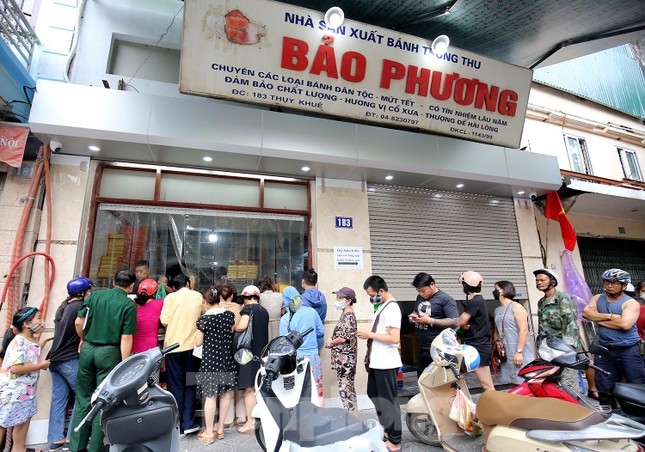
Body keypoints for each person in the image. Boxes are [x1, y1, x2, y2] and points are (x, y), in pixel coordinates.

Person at [70, 269, 137, 452]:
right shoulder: (128, 305)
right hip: (109, 353)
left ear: (114, 281)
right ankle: (96, 448)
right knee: (102, 401)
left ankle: (76, 447)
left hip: (88, 349)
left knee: (83, 398)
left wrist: (83, 339)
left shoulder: (94, 296)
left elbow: (78, 321)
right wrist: (124, 363)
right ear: (132, 285)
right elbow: (126, 337)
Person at [582, 268, 645, 406]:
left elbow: (625, 324)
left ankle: (639, 417)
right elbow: (586, 314)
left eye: (615, 283)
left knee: (636, 384)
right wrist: (610, 316)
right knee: (604, 386)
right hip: (604, 350)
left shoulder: (630, 303)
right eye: (607, 282)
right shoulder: (597, 298)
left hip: (628, 350)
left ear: (624, 285)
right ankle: (609, 417)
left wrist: (597, 318)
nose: (610, 286)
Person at [46, 277, 92, 451]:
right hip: (69, 359)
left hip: (55, 358)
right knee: (82, 397)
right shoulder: (80, 307)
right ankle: (73, 437)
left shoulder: (63, 306)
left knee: (58, 400)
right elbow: (79, 324)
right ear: (83, 292)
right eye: (88, 290)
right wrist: (83, 338)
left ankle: (56, 438)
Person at [357, 275, 402, 452]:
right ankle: (388, 429)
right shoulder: (383, 306)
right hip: (377, 363)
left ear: (381, 291)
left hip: (386, 363)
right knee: (373, 393)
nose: (371, 297)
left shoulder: (392, 309)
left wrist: (370, 335)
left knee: (388, 400)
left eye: (372, 294)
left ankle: (395, 440)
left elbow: (394, 338)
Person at [0, 307, 51, 451]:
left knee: (21, 428)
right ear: (26, 324)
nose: (42, 322)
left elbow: (31, 354)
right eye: (39, 318)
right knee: (3, 425)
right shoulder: (19, 342)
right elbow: (16, 367)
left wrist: (45, 340)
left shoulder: (31, 340)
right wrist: (41, 365)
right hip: (14, 394)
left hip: (25, 394)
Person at [159, 273, 203, 436]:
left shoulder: (170, 298)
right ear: (188, 283)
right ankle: (189, 422)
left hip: (173, 347)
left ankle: (178, 426)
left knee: (175, 385)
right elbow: (203, 313)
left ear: (175, 286)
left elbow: (164, 321)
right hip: (192, 346)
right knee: (191, 383)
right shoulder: (197, 295)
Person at [195, 287, 236, 444]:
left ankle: (209, 431)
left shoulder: (204, 320)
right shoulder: (229, 316)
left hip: (211, 360)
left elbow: (198, 342)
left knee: (211, 396)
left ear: (205, 301)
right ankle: (220, 429)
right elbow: (231, 332)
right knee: (225, 394)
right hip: (226, 358)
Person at [533, 268, 585, 393]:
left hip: (564, 350)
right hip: (550, 350)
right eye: (537, 280)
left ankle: (576, 410)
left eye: (542, 280)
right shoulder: (541, 302)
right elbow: (542, 328)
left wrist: (566, 350)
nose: (539, 283)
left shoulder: (563, 298)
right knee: (554, 383)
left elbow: (571, 325)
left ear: (552, 281)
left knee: (568, 383)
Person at [408, 272, 459, 378]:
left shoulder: (445, 299)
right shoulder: (419, 297)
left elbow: (454, 321)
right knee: (422, 378)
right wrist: (413, 316)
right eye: (418, 291)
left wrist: (431, 321)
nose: (421, 294)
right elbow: (415, 311)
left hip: (438, 348)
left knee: (437, 379)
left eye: (423, 290)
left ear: (432, 284)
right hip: (422, 346)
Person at [281, 286, 324, 406]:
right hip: (313, 357)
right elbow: (321, 332)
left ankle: (302, 422)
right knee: (317, 391)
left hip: (296, 360)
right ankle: (319, 421)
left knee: (298, 392)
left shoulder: (285, 319)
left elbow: (284, 344)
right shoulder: (312, 312)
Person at [235, 285, 269, 435]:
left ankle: (251, 422)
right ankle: (259, 421)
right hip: (261, 353)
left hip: (248, 353)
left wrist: (235, 327)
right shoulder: (264, 311)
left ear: (245, 298)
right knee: (258, 388)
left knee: (249, 389)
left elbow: (242, 326)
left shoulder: (248, 310)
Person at [457, 271, 496, 391]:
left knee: (487, 385)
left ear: (465, 286)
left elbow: (461, 321)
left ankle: (497, 407)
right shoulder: (479, 300)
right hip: (479, 345)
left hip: (478, 347)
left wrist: (464, 326)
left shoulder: (474, 302)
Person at [492, 280, 535, 385]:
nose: (494, 291)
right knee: (513, 382)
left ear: (504, 290)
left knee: (524, 382)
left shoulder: (517, 307)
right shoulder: (497, 310)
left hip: (518, 351)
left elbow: (523, 330)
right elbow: (496, 330)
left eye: (496, 288)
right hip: (506, 353)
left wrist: (519, 352)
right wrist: (497, 345)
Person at [325, 287, 358, 415]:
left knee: (346, 390)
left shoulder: (349, 316)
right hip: (342, 361)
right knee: (346, 390)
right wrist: (331, 339)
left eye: (340, 298)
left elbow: (345, 338)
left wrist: (332, 342)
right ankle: (353, 419)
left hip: (346, 362)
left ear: (348, 300)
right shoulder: (344, 314)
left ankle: (352, 420)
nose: (337, 300)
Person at [217, 284, 246, 427]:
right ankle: (241, 416)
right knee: (239, 380)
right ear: (232, 296)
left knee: (226, 383)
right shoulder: (238, 308)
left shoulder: (213, 308)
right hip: (235, 344)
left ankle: (227, 418)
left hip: (220, 347)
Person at [132, 278, 164, 383]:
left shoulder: (132, 305)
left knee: (134, 382)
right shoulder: (159, 303)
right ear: (155, 292)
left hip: (133, 351)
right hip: (151, 351)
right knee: (152, 384)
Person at [301, 269, 327, 349]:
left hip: (305, 337)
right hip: (318, 337)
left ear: (303, 281)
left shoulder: (301, 299)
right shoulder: (322, 297)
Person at [259, 276, 283, 341]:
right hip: (277, 324)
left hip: (263, 325)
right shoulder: (280, 295)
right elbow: (283, 311)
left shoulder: (259, 297)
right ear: (272, 285)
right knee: (276, 344)